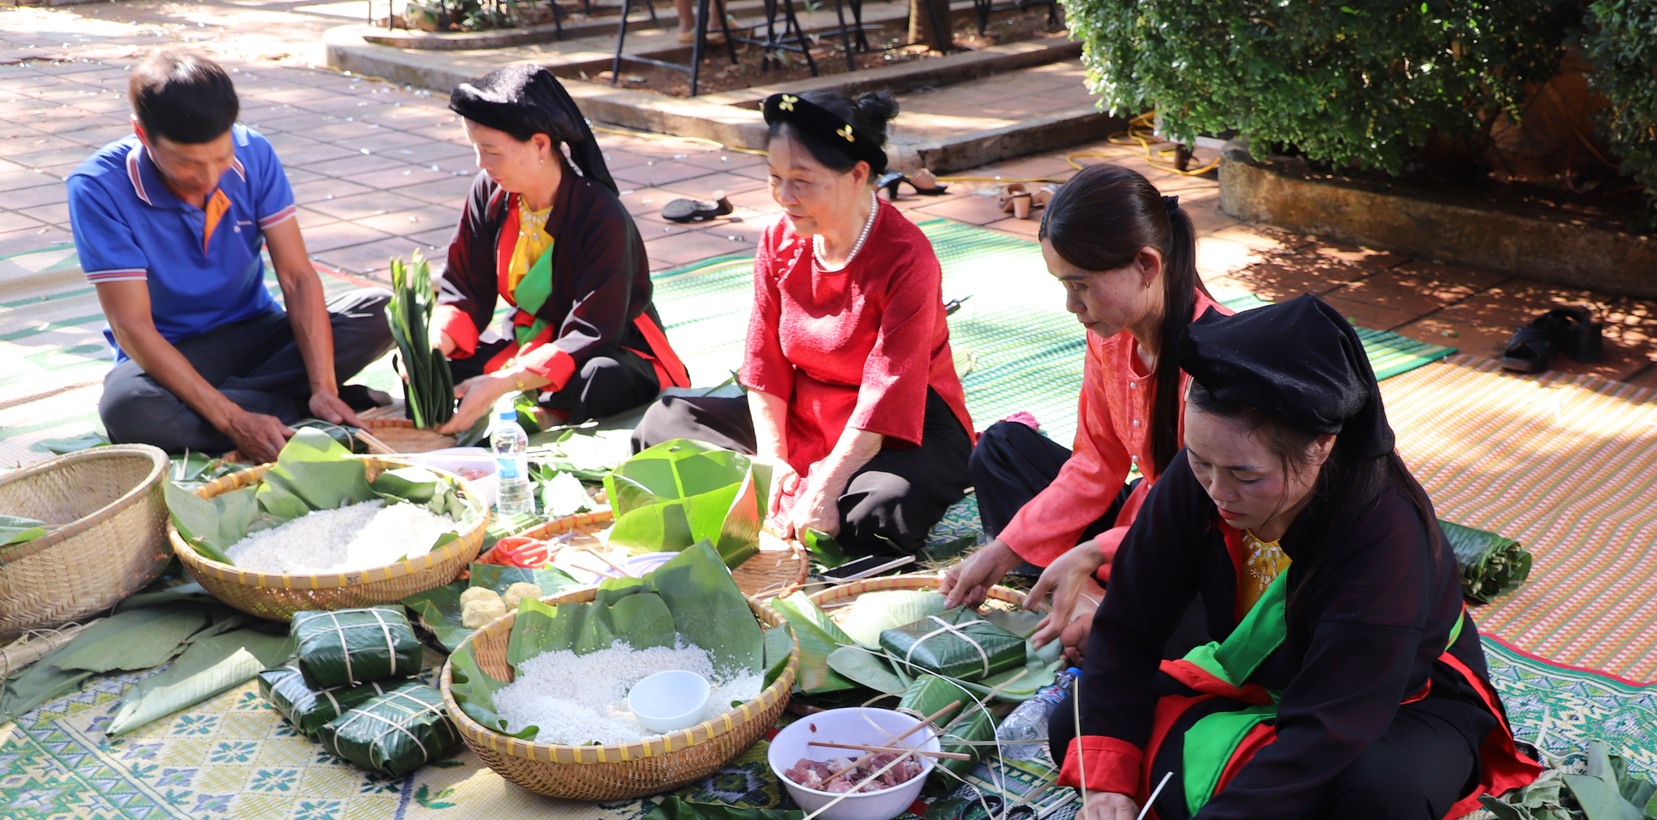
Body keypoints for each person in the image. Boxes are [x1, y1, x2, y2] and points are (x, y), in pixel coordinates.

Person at [1051, 295, 1544, 820]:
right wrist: (1110, 780)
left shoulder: (1386, 539)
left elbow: (1326, 733)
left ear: (1321, 448)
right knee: (1080, 723)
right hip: (1262, 671)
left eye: (1245, 477)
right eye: (1199, 463)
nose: (1216, 492)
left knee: (1362, 796)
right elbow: (1131, 620)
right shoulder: (1203, 474)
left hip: (1391, 709)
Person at [630, 90, 973, 558]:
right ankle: (777, 490)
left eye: (802, 181)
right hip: (802, 411)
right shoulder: (778, 240)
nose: (784, 197)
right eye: (775, 178)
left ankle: (789, 498)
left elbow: (886, 393)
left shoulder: (907, 256)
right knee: (663, 422)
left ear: (857, 176)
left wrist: (829, 484)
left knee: (878, 509)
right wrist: (773, 461)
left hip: (898, 424)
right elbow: (764, 362)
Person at [941, 164, 1225, 658]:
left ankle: (1086, 594)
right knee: (1001, 448)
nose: (1072, 305)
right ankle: (1082, 592)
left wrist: (1097, 551)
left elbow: (1212, 513)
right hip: (1142, 514)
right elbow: (1095, 464)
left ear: (1147, 266)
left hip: (1197, 536)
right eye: (1063, 286)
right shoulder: (1109, 336)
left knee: (1181, 635)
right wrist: (1005, 548)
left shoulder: (1220, 357)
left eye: (1082, 285)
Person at [69, 49, 392, 460]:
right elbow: (132, 327)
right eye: (187, 164)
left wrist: (323, 387)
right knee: (126, 406)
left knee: (383, 310)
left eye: (221, 159)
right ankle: (279, 410)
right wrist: (232, 420)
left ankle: (277, 405)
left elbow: (296, 278)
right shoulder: (96, 187)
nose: (207, 179)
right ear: (142, 134)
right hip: (174, 350)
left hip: (258, 329)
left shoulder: (255, 152)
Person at [433, 64, 688, 433]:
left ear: (539, 144)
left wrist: (504, 383)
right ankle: (524, 402)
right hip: (530, 338)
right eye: (476, 150)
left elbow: (593, 330)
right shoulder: (489, 193)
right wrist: (432, 348)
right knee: (435, 370)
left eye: (491, 151)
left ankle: (538, 410)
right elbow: (466, 288)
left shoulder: (600, 214)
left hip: (606, 344)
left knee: (599, 377)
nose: (482, 165)